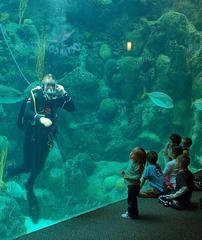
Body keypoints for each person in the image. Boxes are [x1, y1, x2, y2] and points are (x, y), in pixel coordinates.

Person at [5, 74, 75, 223]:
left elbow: (71, 107)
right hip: (31, 137)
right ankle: (9, 171)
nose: (50, 88)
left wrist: (64, 93)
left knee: (39, 166)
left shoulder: (56, 97)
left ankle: (29, 183)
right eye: (47, 85)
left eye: (52, 85)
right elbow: (27, 112)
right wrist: (40, 118)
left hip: (46, 139)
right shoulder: (35, 96)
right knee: (27, 165)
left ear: (56, 86)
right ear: (42, 86)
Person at [120, 147, 146, 219]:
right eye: (131, 151)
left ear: (138, 158)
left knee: (131, 200)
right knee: (131, 199)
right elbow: (130, 171)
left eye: (133, 153)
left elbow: (138, 177)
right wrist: (125, 172)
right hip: (131, 185)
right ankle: (133, 212)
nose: (131, 153)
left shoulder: (139, 166)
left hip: (134, 186)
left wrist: (129, 178)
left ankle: (131, 214)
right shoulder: (132, 161)